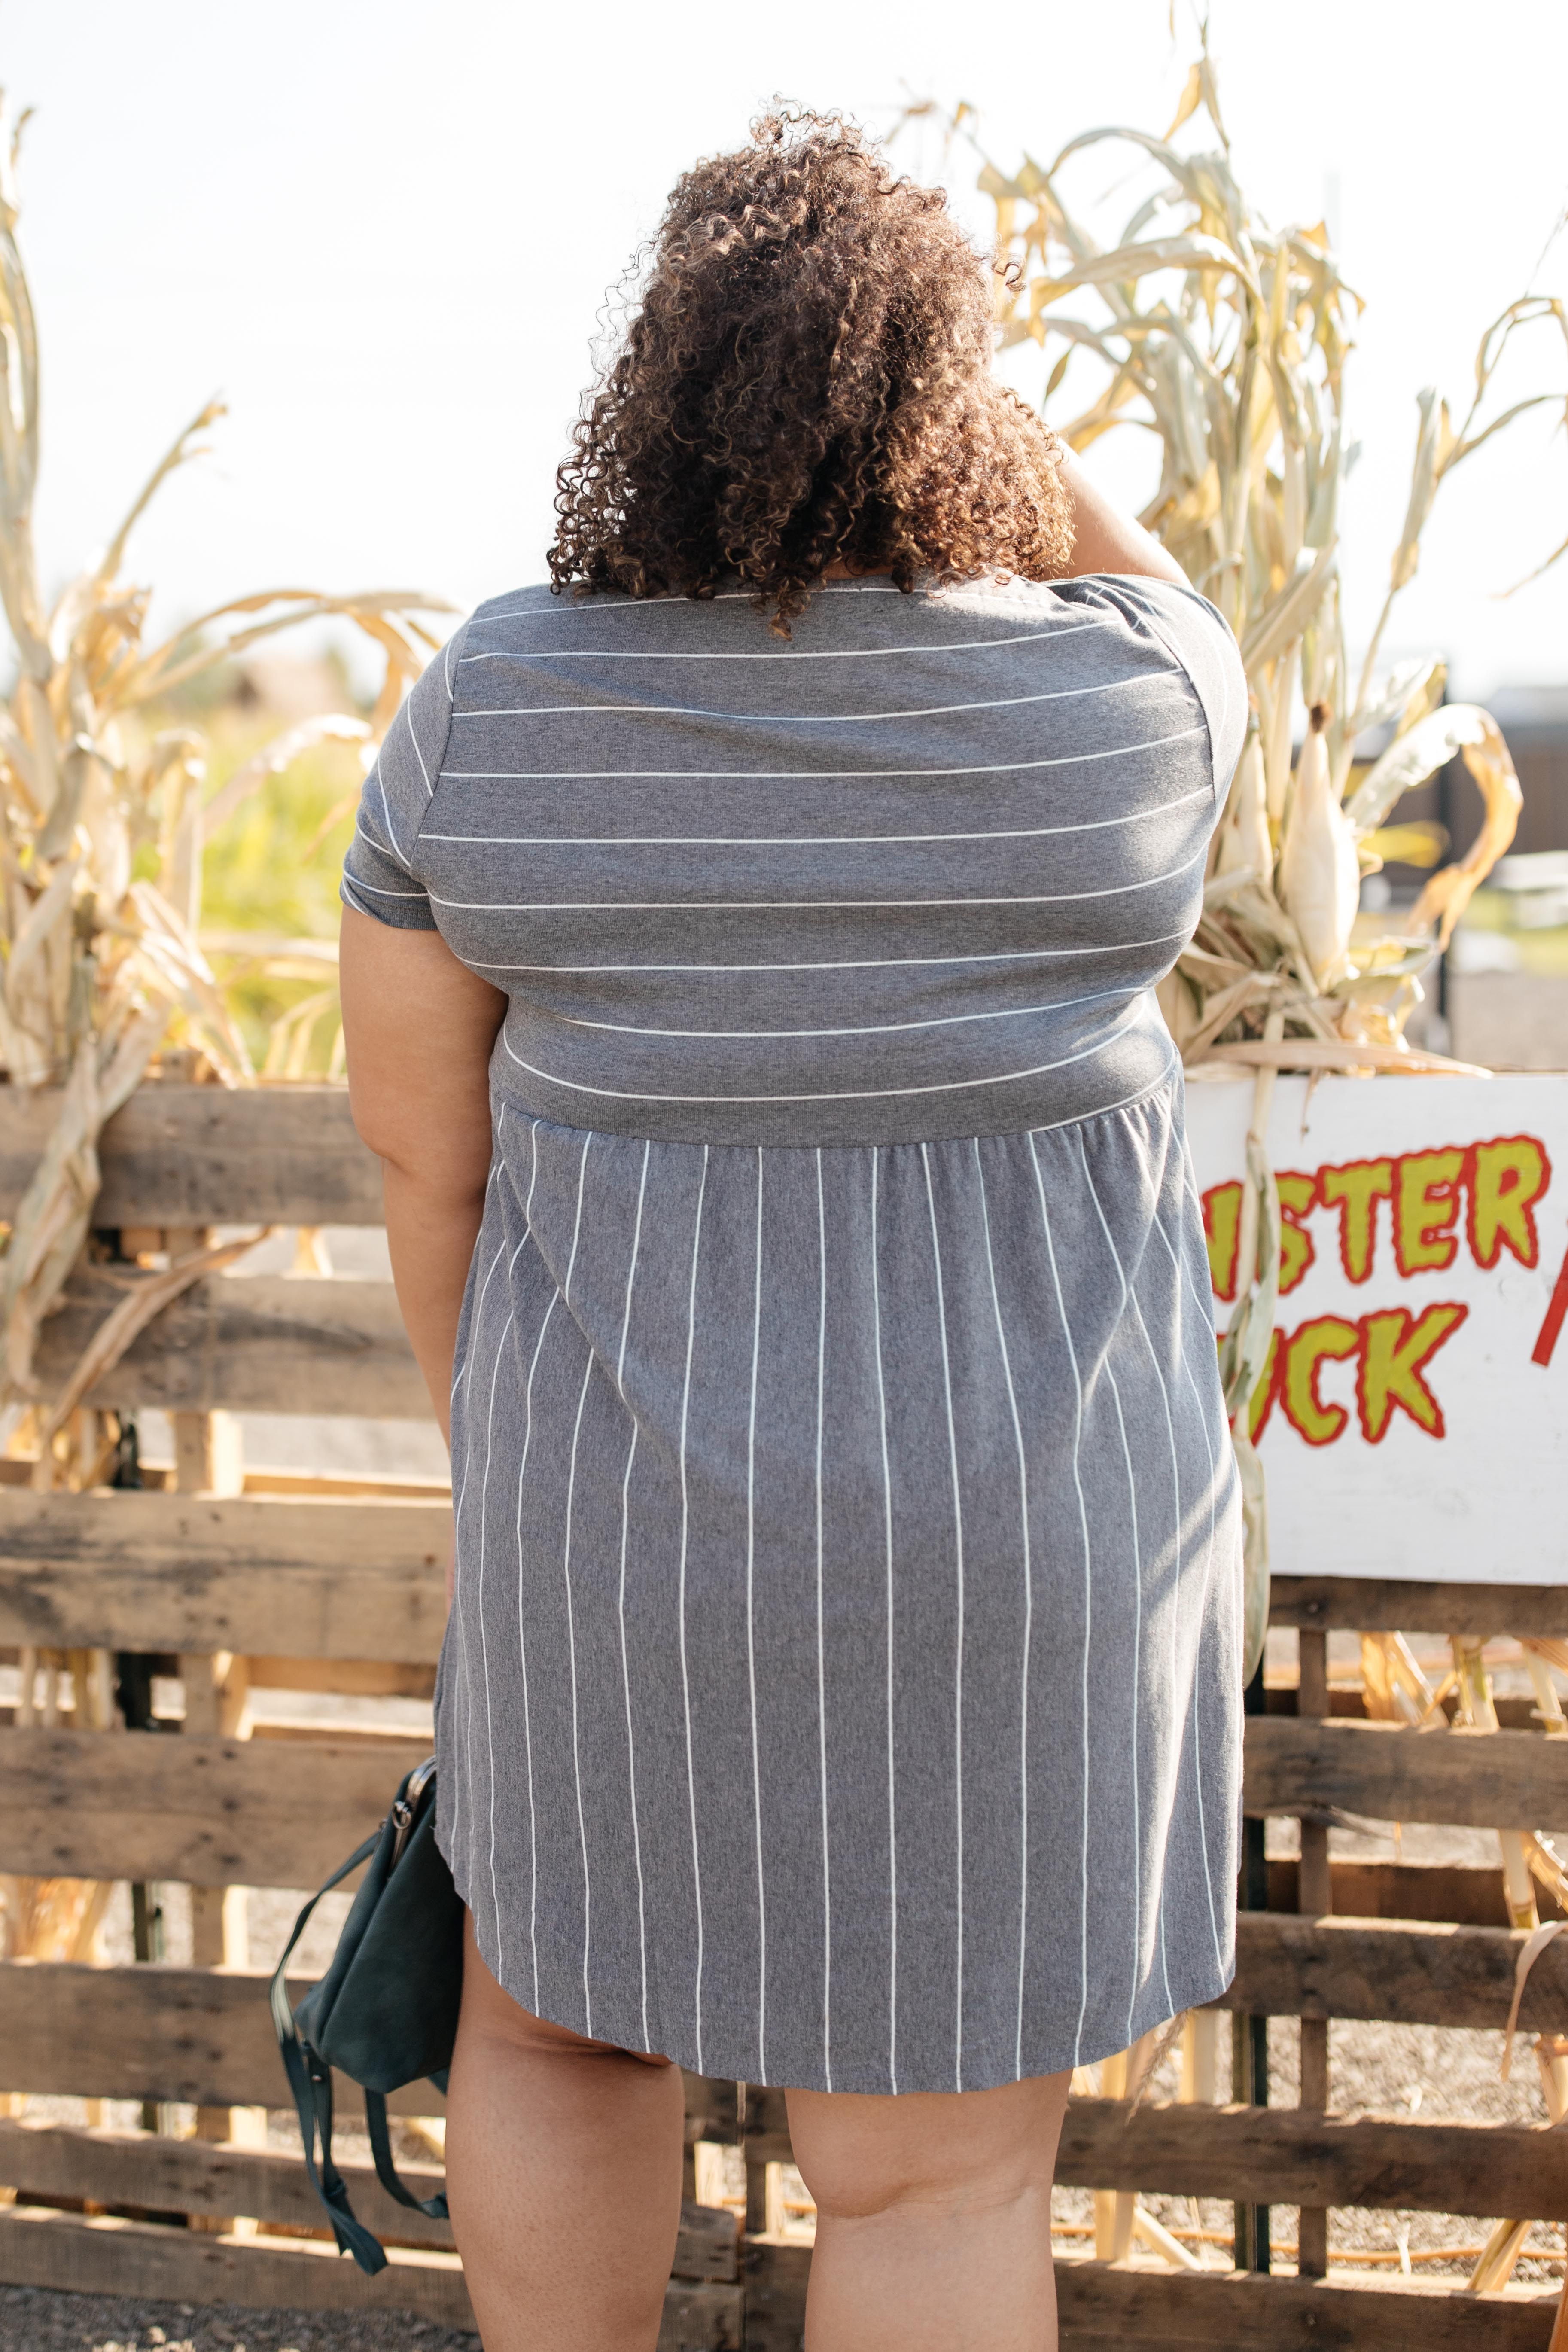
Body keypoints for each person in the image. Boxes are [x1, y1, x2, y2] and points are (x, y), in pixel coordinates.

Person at [339, 107, 1245, 2352]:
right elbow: (1180, 607)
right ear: (959, 410)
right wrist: (975, 418)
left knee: (559, 2032)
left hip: (609, 1517)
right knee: (930, 2170)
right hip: (1021, 1537)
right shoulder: (1107, 716)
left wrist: (517, 1451)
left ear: (646, 390)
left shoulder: (501, 706)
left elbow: (415, 1155)